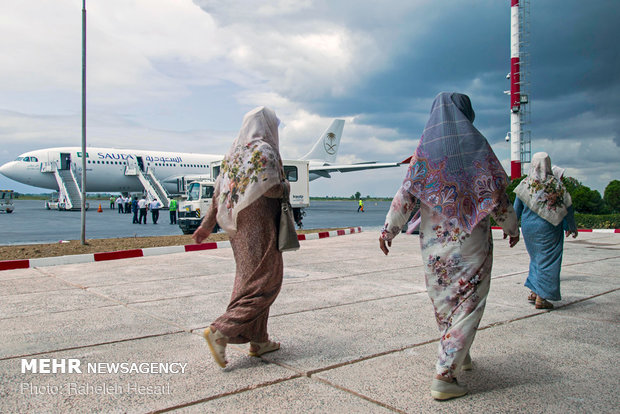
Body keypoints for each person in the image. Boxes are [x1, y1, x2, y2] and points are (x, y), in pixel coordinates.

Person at [379, 92, 520, 400]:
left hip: (434, 248)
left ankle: (460, 353)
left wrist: (389, 230)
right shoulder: (478, 149)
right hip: (471, 243)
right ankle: (445, 376)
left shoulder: (425, 154)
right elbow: (496, 195)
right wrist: (511, 226)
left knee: (446, 302)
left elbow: (406, 196)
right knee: (468, 302)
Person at [192, 106, 288, 369]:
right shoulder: (264, 150)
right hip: (260, 226)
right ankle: (221, 330)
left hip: (237, 229)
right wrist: (286, 186)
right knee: (266, 282)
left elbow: (217, 196)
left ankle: (259, 340)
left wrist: (206, 225)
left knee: (247, 279)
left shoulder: (232, 157)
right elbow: (271, 189)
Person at [514, 152, 577, 309]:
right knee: (548, 261)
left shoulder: (526, 184)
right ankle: (542, 298)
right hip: (550, 229)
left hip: (529, 229)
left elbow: (516, 208)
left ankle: (534, 291)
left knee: (536, 258)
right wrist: (571, 226)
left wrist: (512, 229)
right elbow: (568, 208)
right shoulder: (556, 185)